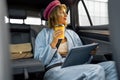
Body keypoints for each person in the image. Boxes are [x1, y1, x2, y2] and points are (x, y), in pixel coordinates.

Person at [34, 0, 118, 80]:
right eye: (62, 13)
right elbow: (40, 61)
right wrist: (54, 42)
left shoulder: (72, 33)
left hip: (75, 67)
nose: (66, 15)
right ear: (54, 15)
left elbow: (82, 59)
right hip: (55, 70)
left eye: (66, 12)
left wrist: (89, 54)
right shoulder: (43, 34)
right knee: (95, 70)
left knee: (112, 66)